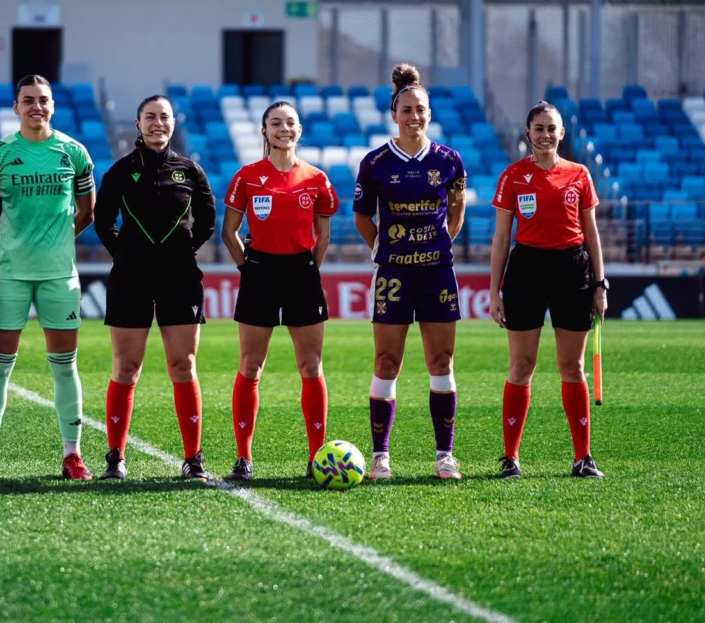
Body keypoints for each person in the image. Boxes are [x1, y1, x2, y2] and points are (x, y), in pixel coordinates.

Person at [0, 74, 96, 482]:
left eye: (43, 100)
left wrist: (59, 242)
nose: (36, 106)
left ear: (53, 105)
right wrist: (5, 241)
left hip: (60, 275)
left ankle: (72, 455)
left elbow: (87, 211)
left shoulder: (74, 152)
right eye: (28, 100)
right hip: (11, 274)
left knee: (64, 366)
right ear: (16, 107)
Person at [352, 64, 467, 482]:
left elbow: (456, 212)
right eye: (406, 110)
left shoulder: (450, 161)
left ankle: (444, 456)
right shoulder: (376, 162)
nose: (413, 116)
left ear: (429, 113)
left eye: (420, 109)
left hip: (437, 272)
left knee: (441, 360)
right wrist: (383, 247)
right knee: (387, 361)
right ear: (394, 114)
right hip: (393, 274)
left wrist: (439, 246)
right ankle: (381, 456)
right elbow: (363, 217)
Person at [93, 95, 217, 481]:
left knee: (184, 366)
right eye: (150, 117)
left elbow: (209, 221)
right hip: (130, 279)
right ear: (138, 123)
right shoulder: (120, 171)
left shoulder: (191, 171)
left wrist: (183, 253)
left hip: (180, 279)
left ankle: (193, 458)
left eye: (164, 117)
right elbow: (103, 221)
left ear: (173, 124)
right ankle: (115, 457)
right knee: (126, 368)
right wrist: (126, 254)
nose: (157, 123)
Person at [221, 100, 339, 481]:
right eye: (275, 123)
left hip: (301, 271)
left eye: (290, 122)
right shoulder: (247, 176)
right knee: (250, 365)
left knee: (311, 366)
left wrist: (307, 269)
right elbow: (229, 232)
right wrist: (248, 269)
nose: (283, 128)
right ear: (264, 131)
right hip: (259, 271)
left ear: (299, 130)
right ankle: (243, 458)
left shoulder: (317, 178)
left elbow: (323, 235)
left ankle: (316, 456)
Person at [490, 101, 607, 479]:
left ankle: (583, 458)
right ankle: (511, 458)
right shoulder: (512, 177)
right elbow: (502, 238)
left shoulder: (580, 174)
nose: (545, 135)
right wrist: (495, 291)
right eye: (538, 128)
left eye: (551, 128)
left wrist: (600, 283)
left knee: (572, 366)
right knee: (522, 365)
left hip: (573, 271)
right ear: (528, 134)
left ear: (562, 133)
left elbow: (591, 233)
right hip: (526, 270)